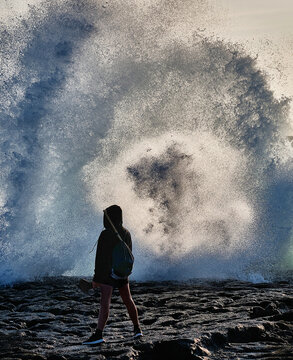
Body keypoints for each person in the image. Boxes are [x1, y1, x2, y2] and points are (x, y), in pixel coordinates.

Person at [83, 205, 142, 345]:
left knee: (105, 303)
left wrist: (96, 278)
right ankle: (137, 329)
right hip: (122, 273)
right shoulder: (127, 233)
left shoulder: (105, 234)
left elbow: (100, 259)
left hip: (107, 275)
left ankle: (98, 334)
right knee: (128, 300)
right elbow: (129, 254)